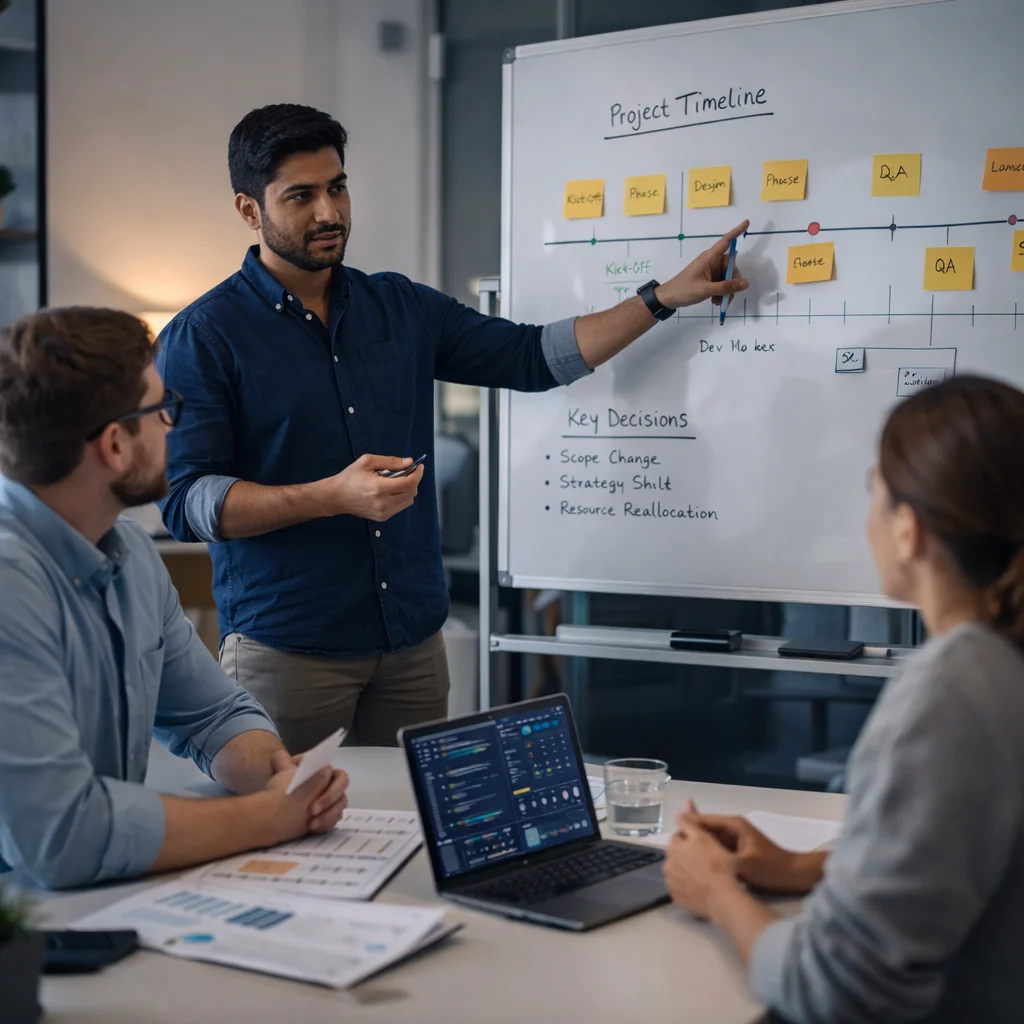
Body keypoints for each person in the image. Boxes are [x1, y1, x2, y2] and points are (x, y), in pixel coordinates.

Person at [156, 102, 751, 752]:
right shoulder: (204, 336)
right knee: (280, 840)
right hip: (286, 651)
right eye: (301, 196)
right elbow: (188, 503)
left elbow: (533, 356)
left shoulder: (400, 307)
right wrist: (331, 495)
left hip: (411, 647)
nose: (329, 212)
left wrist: (661, 298)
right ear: (250, 209)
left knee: (423, 841)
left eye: (337, 187)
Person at [663, 375, 1024, 1023]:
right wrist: (804, 867)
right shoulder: (1001, 661)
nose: (868, 521)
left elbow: (838, 992)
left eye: (874, 496)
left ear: (908, 530)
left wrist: (715, 890)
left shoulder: (953, 694)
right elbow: (965, 856)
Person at [0, 308, 349, 891]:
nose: (172, 425)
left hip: (98, 902)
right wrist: (265, 819)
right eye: (162, 410)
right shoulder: (11, 584)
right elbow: (62, 837)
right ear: (115, 444)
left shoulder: (130, 554)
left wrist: (277, 778)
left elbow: (212, 714)